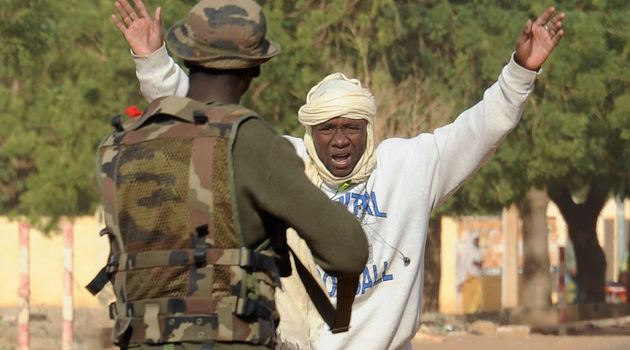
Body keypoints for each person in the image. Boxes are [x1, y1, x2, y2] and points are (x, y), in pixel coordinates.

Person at [114, 0, 565, 348]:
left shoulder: (411, 166)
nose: (340, 140)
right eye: (327, 129)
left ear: (368, 129)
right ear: (310, 132)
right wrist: (154, 63)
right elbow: (204, 122)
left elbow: (480, 127)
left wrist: (520, 71)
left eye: (351, 127)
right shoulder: (279, 163)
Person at [93, 0, 369, 349]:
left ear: (188, 59)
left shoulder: (120, 145)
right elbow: (348, 252)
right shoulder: (251, 142)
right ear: (255, 69)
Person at [456, 232, 484, 313]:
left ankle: (476, 311)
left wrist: (478, 263)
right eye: (476, 240)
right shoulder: (468, 251)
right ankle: (467, 312)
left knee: (478, 296)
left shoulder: (478, 251)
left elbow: (481, 262)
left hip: (477, 276)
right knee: (468, 296)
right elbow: (465, 264)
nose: (477, 242)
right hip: (469, 277)